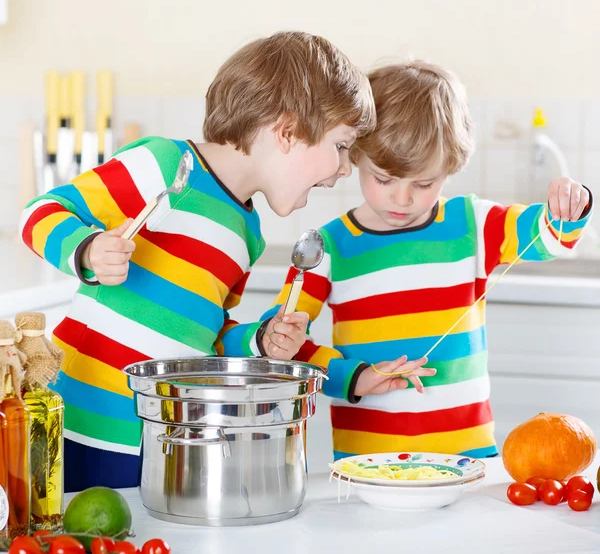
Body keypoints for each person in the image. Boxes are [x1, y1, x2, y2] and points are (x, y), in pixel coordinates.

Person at [19, 31, 377, 490]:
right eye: (342, 146)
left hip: (159, 439)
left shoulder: (248, 234)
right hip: (78, 425)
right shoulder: (165, 165)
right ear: (288, 131)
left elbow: (207, 332)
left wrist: (260, 341)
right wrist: (85, 249)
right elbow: (40, 212)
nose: (346, 168)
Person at [261, 61, 593, 461]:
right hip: (367, 463)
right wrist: (355, 377)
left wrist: (569, 208)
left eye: (424, 183)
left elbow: (547, 236)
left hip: (467, 460)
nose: (402, 199)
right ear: (356, 155)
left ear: (450, 168)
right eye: (383, 179)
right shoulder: (328, 246)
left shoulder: (471, 223)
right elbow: (286, 342)